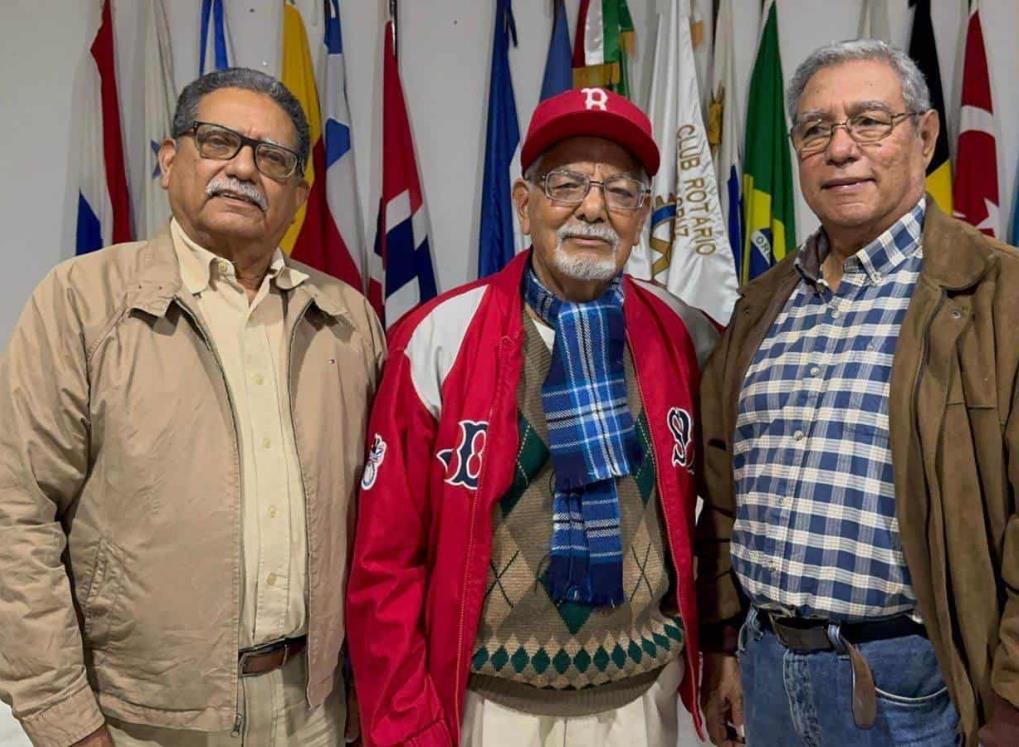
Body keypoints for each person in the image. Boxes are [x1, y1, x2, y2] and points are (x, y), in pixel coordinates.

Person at [696, 39, 1019, 747]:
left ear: (925, 135)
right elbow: (725, 491)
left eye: (870, 120)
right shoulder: (761, 306)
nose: (841, 148)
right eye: (816, 128)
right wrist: (725, 643)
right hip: (764, 674)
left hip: (915, 688)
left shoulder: (1017, 305)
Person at [0, 67, 385, 746]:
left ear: (298, 193)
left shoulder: (347, 318)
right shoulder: (82, 302)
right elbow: (15, 516)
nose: (242, 168)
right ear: (169, 161)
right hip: (139, 719)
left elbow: (386, 520)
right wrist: (66, 719)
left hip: (317, 710)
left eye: (272, 158)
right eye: (218, 142)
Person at [346, 87, 717, 747]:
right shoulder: (437, 338)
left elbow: (720, 518)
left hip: (643, 707)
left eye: (620, 190)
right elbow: (385, 564)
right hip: (487, 710)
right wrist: (408, 729)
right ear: (524, 204)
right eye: (565, 183)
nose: (593, 208)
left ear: (644, 213)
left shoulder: (688, 335)